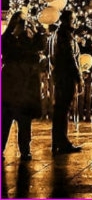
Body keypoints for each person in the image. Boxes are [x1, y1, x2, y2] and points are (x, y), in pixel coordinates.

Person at [2, 12, 46, 161]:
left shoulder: (29, 38)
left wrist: (36, 33)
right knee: (6, 119)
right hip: (11, 84)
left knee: (24, 120)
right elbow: (9, 52)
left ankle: (25, 150)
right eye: (20, 22)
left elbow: (40, 47)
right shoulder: (7, 38)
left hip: (25, 85)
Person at [49, 10, 84, 155]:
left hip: (61, 75)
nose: (75, 21)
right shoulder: (65, 35)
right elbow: (70, 58)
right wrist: (78, 77)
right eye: (73, 19)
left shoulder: (59, 33)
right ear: (68, 19)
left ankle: (58, 141)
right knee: (62, 109)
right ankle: (61, 142)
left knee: (61, 110)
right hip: (65, 76)